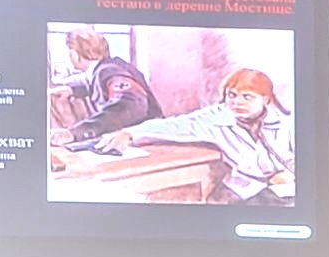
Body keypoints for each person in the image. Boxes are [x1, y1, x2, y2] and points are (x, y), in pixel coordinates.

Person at [97, 67, 295, 205]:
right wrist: (131, 133)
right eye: (232, 95)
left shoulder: (285, 122)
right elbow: (175, 125)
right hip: (242, 190)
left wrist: (290, 175)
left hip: (283, 187)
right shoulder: (217, 118)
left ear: (265, 100)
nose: (237, 103)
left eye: (247, 97)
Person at [49, 29, 163, 144]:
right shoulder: (107, 67)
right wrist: (72, 89)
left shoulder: (110, 72)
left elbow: (129, 106)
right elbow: (92, 82)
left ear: (74, 54)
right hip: (134, 138)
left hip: (146, 141)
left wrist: (75, 132)